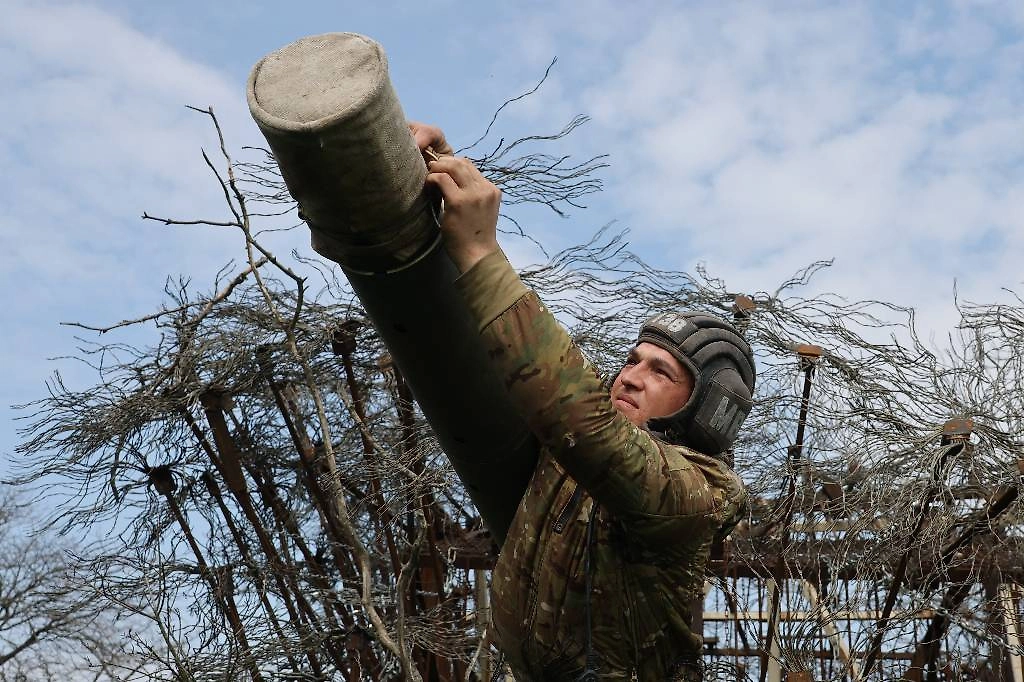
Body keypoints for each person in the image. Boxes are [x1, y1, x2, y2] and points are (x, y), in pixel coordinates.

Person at [411, 123, 754, 681]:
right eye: (633, 359)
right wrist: (433, 175)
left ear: (706, 411)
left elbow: (577, 415)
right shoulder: (578, 440)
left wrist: (480, 249)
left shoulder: (692, 497)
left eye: (661, 371)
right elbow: (518, 359)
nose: (631, 377)